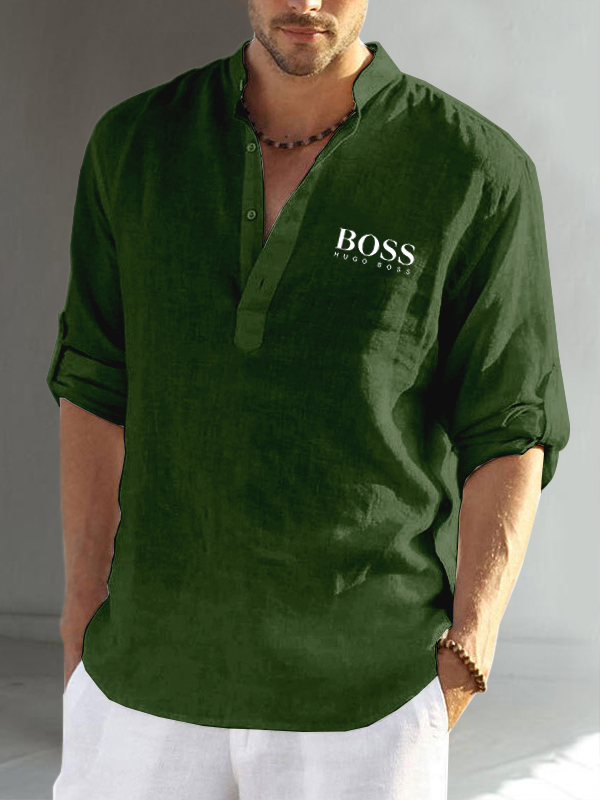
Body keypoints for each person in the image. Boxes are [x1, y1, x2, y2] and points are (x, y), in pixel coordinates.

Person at [47, 1, 570, 798]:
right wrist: (80, 615)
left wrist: (470, 647)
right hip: (140, 680)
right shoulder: (136, 145)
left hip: (366, 697)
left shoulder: (474, 170)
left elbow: (509, 425)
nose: (308, 0)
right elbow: (93, 383)